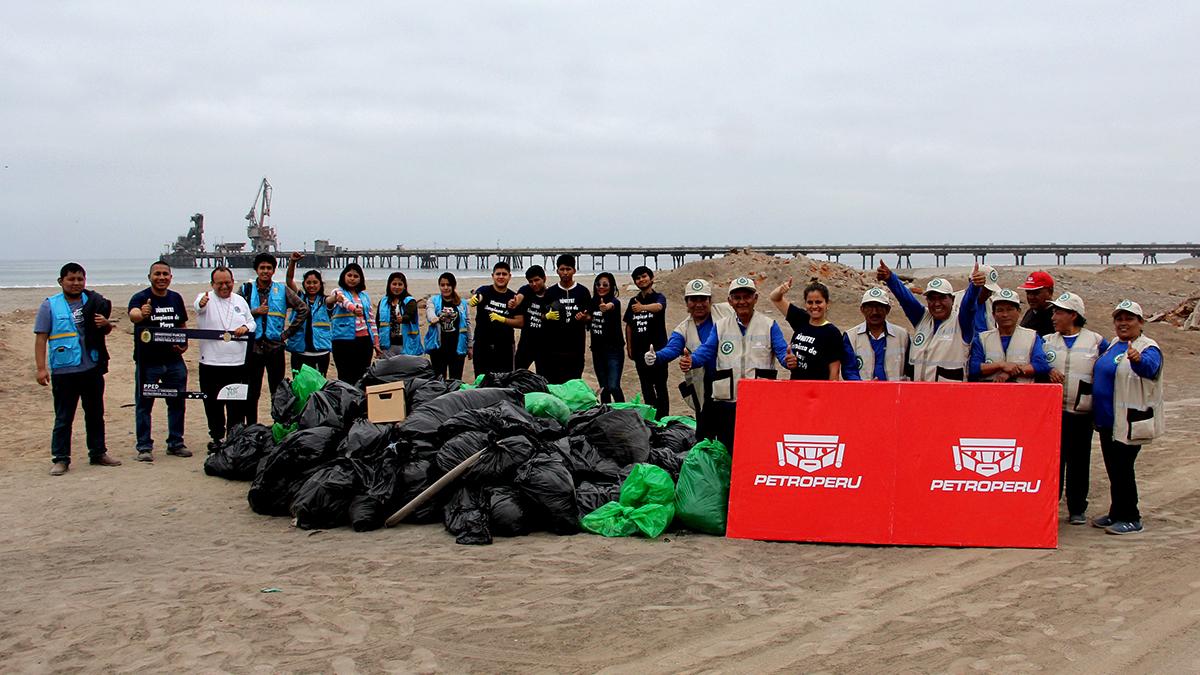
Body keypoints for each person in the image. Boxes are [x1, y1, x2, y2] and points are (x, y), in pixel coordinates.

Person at [684, 276, 789, 452]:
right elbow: (706, 350)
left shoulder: (769, 325)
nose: (742, 302)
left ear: (755, 298)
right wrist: (691, 360)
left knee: (757, 446)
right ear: (730, 301)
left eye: (747, 297)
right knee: (728, 447)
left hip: (758, 401)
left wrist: (789, 361)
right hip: (727, 402)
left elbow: (782, 354)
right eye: (737, 297)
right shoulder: (720, 326)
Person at [34, 262, 121, 475]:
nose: (76, 283)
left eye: (80, 279)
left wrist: (106, 324)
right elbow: (41, 337)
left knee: (95, 413)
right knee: (64, 417)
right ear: (61, 281)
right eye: (71, 279)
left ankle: (98, 453)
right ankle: (61, 459)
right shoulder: (50, 306)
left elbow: (106, 331)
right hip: (64, 371)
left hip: (91, 367)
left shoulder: (94, 302)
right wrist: (40, 368)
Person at [1091, 300, 1165, 535]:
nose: (1123, 323)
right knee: (1114, 469)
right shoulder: (1114, 343)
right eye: (1119, 319)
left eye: (1129, 318)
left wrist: (1137, 360)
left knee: (1123, 469)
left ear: (1140, 322)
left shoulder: (1147, 347)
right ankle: (1116, 512)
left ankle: (1131, 517)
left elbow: (1151, 369)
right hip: (1107, 421)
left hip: (1128, 422)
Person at [1042, 291, 1108, 525]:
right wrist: (1048, 371)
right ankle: (1050, 503)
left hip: (1081, 413)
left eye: (1058, 312)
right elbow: (1038, 365)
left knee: (1079, 461)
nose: (1053, 316)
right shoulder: (1047, 341)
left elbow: (1108, 369)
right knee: (1053, 461)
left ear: (1073, 315)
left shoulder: (1096, 341)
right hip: (1053, 414)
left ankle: (1077, 508)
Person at [127, 260, 191, 461]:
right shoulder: (140, 298)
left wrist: (184, 343)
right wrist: (142, 313)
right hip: (149, 362)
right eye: (157, 274)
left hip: (174, 361)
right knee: (145, 404)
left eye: (165, 274)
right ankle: (144, 447)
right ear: (149, 277)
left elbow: (181, 324)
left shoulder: (175, 298)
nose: (161, 278)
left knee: (177, 402)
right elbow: (133, 315)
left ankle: (175, 443)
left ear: (171, 277)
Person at [878, 261, 983, 382]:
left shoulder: (961, 322)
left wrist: (974, 287)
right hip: (917, 394)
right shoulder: (922, 318)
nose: (937, 303)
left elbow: (969, 305)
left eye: (942, 297)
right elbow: (906, 299)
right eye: (932, 298)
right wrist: (890, 278)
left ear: (952, 299)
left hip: (949, 395)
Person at [238, 253, 308, 425]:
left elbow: (303, 308)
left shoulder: (282, 290)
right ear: (256, 270)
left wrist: (287, 333)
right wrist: (255, 312)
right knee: (252, 391)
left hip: (275, 347)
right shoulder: (246, 290)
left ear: (274, 270)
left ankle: (279, 425)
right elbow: (235, 313)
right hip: (252, 347)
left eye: (269, 268)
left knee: (278, 391)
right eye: (262, 268)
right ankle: (251, 425)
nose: (265, 271)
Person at [647, 278, 731, 414]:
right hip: (704, 384)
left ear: (710, 301)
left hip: (730, 380)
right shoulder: (683, 329)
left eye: (703, 299)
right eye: (693, 300)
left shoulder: (726, 310)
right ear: (686, 302)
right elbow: (673, 348)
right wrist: (656, 356)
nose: (698, 304)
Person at [194, 267, 256, 450]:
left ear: (232, 281)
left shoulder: (240, 301)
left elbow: (252, 322)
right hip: (211, 363)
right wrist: (202, 302)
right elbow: (198, 306)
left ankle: (234, 437)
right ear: (212, 284)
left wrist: (245, 326)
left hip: (237, 363)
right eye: (219, 283)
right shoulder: (205, 298)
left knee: (236, 404)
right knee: (213, 404)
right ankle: (216, 438)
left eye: (227, 282)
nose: (224, 286)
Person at [968, 289, 1051, 382]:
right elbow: (973, 368)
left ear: (1018, 311)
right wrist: (1001, 365)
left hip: (1022, 393)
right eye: (1000, 310)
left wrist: (1012, 371)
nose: (1005, 314)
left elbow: (1041, 365)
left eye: (1010, 309)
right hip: (990, 392)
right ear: (993, 315)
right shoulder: (982, 338)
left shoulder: (1032, 337)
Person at [769, 277, 843, 381]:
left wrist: (828, 395)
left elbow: (834, 373)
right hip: (795, 388)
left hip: (816, 392)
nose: (814, 306)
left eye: (818, 302)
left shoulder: (832, 333)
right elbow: (775, 298)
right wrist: (782, 289)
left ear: (827, 304)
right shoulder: (801, 319)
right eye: (810, 302)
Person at [625, 266, 669, 417]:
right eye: (638, 278)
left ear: (651, 278)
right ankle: (652, 415)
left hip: (659, 351)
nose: (641, 280)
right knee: (646, 386)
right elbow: (629, 325)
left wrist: (642, 308)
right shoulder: (633, 301)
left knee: (661, 386)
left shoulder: (659, 297)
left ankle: (663, 416)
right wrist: (629, 348)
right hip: (639, 351)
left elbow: (659, 307)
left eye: (644, 276)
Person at [542, 255, 592, 384]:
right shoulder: (551, 292)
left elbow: (590, 316)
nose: (565, 272)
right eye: (562, 269)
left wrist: (584, 317)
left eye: (568, 269)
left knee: (574, 382)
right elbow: (541, 315)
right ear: (557, 270)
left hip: (576, 346)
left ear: (574, 270)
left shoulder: (582, 291)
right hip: (554, 347)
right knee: (555, 382)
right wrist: (547, 316)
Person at [840, 287, 909, 381]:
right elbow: (849, 371)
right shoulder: (851, 337)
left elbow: (909, 370)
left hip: (895, 394)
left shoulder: (902, 335)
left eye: (879, 307)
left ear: (887, 309)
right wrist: (865, 387)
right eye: (869, 307)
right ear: (862, 309)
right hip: (863, 394)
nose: (874, 312)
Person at [329, 263, 379, 386]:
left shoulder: (364, 296)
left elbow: (371, 320)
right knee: (345, 375)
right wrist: (353, 309)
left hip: (364, 341)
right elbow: (343, 302)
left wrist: (376, 342)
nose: (352, 278)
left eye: (356, 276)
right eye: (349, 275)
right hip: (343, 341)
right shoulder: (338, 292)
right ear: (343, 276)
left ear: (360, 279)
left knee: (363, 375)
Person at [284, 252, 332, 375]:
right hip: (300, 351)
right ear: (304, 284)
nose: (312, 286)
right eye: (308, 283)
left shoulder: (324, 301)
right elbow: (289, 280)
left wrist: (338, 297)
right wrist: (293, 262)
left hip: (321, 352)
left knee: (319, 386)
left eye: (315, 282)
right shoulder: (299, 298)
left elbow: (332, 300)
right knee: (300, 386)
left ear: (320, 284)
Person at [468, 262, 519, 377]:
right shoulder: (485, 290)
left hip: (505, 347)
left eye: (504, 274)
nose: (501, 277)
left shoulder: (512, 297)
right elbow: (478, 295)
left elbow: (519, 322)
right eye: (498, 274)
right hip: (482, 345)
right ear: (493, 276)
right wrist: (475, 299)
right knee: (482, 380)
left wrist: (503, 319)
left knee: (504, 381)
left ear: (509, 276)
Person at [424, 272, 470, 380]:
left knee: (456, 380)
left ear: (453, 286)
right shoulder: (433, 300)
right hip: (438, 348)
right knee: (439, 379)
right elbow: (429, 310)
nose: (445, 288)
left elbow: (468, 324)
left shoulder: (462, 303)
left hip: (457, 347)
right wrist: (433, 318)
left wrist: (470, 346)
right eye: (442, 285)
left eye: (448, 285)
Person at [589, 272, 624, 403]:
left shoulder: (615, 302)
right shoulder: (592, 303)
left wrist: (606, 307)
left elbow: (612, 305)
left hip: (614, 351)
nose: (601, 287)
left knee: (614, 386)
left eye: (605, 285)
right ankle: (606, 415)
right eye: (598, 284)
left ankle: (624, 413)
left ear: (612, 287)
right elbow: (587, 315)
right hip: (597, 351)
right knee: (604, 388)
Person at [511, 265, 549, 373]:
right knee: (517, 373)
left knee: (544, 376)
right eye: (531, 281)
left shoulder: (551, 294)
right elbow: (520, 296)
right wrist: (516, 302)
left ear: (544, 278)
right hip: (526, 343)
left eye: (537, 280)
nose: (534, 284)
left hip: (545, 345)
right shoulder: (526, 290)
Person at [378, 272, 424, 356]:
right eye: (394, 284)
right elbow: (378, 323)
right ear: (389, 285)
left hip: (406, 344)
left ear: (404, 286)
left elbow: (410, 314)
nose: (397, 287)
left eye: (400, 284)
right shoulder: (383, 302)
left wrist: (403, 319)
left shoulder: (410, 301)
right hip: (387, 344)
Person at [1018, 270, 1055, 336]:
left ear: (1050, 292)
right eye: (1028, 293)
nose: (1030, 297)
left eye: (1036, 293)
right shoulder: (1031, 312)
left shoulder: (1056, 317)